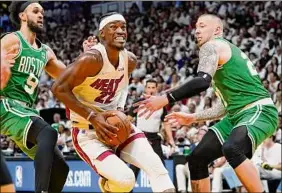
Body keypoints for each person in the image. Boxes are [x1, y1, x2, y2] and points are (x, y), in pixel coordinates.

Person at [135, 14, 278, 192]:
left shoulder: (212, 45)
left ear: (217, 30)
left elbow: (202, 82)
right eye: (196, 26)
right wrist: (193, 117)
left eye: (202, 26)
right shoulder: (225, 53)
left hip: (259, 110)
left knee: (232, 148)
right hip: (237, 114)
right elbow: (224, 107)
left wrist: (165, 98)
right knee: (197, 158)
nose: (196, 30)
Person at [52, 12, 175, 193]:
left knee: (158, 169)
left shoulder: (130, 60)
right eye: (113, 27)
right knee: (126, 181)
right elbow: (58, 88)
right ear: (102, 34)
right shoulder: (91, 59)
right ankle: (108, 187)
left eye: (123, 27)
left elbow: (122, 88)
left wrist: (119, 110)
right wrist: (93, 117)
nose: (120, 31)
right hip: (88, 133)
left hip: (116, 127)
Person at [1, 2, 92, 193]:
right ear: (22, 16)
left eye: (42, 12)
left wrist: (87, 57)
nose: (41, 15)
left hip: (25, 112)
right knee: (49, 132)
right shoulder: (12, 40)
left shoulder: (45, 52)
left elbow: (68, 75)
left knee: (60, 169)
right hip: (6, 105)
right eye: (35, 11)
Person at [128, 79, 175, 189]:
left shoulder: (161, 104)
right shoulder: (138, 103)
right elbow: (128, 120)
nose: (151, 90)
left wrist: (171, 139)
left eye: (153, 87)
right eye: (149, 87)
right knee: (134, 169)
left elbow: (166, 123)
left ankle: (164, 190)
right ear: (145, 88)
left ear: (157, 89)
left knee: (160, 168)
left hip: (155, 139)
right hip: (140, 139)